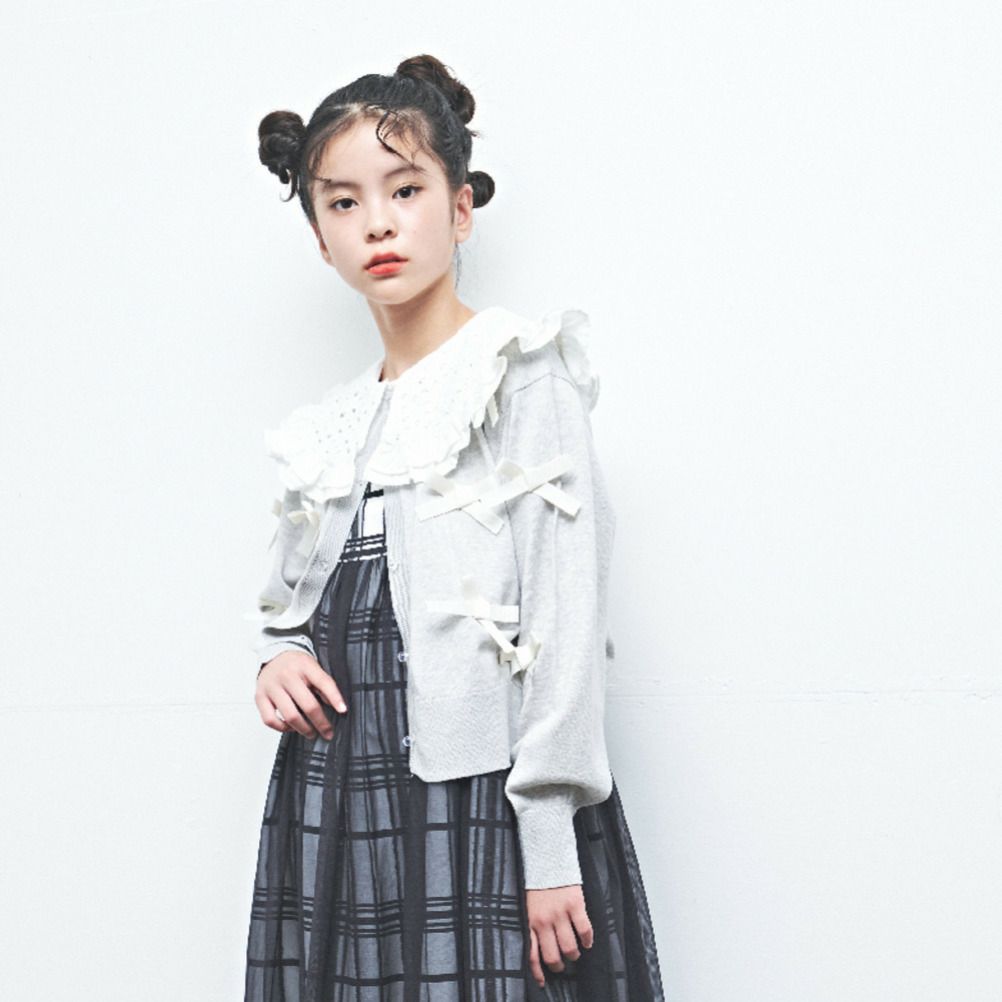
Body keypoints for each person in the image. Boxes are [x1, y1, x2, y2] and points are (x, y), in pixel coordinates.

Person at [244, 53, 665, 1002]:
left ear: (461, 206)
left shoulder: (524, 375)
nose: (378, 222)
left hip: (483, 796)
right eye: (343, 202)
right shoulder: (333, 427)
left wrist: (547, 837)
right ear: (320, 239)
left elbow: (565, 615)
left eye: (405, 190)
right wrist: (277, 659)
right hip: (341, 800)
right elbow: (290, 609)